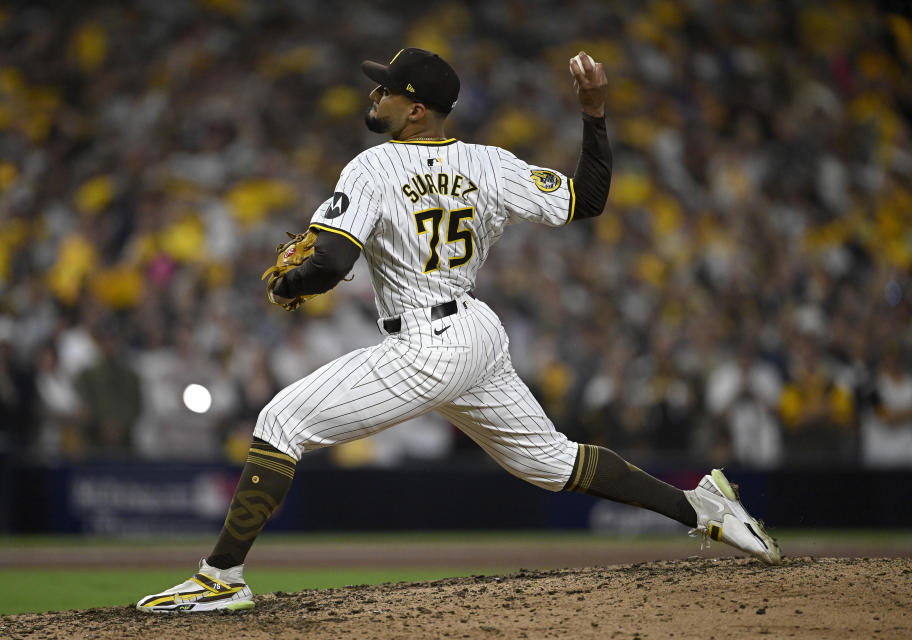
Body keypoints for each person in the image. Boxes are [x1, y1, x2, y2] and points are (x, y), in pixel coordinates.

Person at [137, 48, 780, 613]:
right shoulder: (491, 164)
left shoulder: (373, 168)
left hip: (425, 343)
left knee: (281, 421)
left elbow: (331, 264)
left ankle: (220, 578)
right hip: (474, 331)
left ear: (416, 110)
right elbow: (589, 197)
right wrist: (594, 115)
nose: (375, 94)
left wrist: (288, 283)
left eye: (386, 88)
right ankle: (701, 507)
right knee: (554, 463)